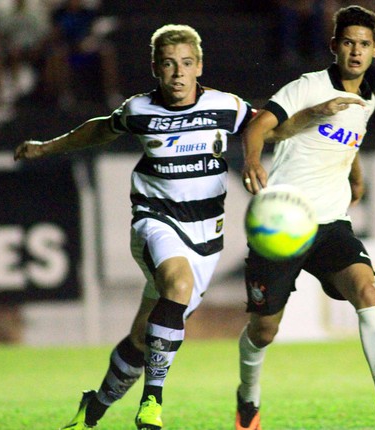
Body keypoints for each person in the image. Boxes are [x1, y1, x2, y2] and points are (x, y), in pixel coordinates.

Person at [15, 24, 259, 430]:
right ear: (155, 69)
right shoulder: (140, 110)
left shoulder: (225, 107)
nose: (178, 73)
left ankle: (91, 410)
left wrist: (319, 125)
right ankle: (152, 401)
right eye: (168, 65)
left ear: (199, 66)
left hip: (207, 238)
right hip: (155, 221)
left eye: (185, 64)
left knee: (147, 337)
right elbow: (100, 127)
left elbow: (268, 122)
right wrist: (47, 147)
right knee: (177, 287)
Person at [236, 5, 375, 430]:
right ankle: (248, 399)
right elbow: (259, 126)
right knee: (263, 331)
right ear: (335, 46)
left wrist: (355, 173)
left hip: (332, 222)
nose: (356, 51)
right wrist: (251, 161)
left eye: (364, 44)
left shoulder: (367, 98)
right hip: (282, 222)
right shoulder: (307, 87)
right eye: (348, 42)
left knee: (367, 293)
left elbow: (346, 140)